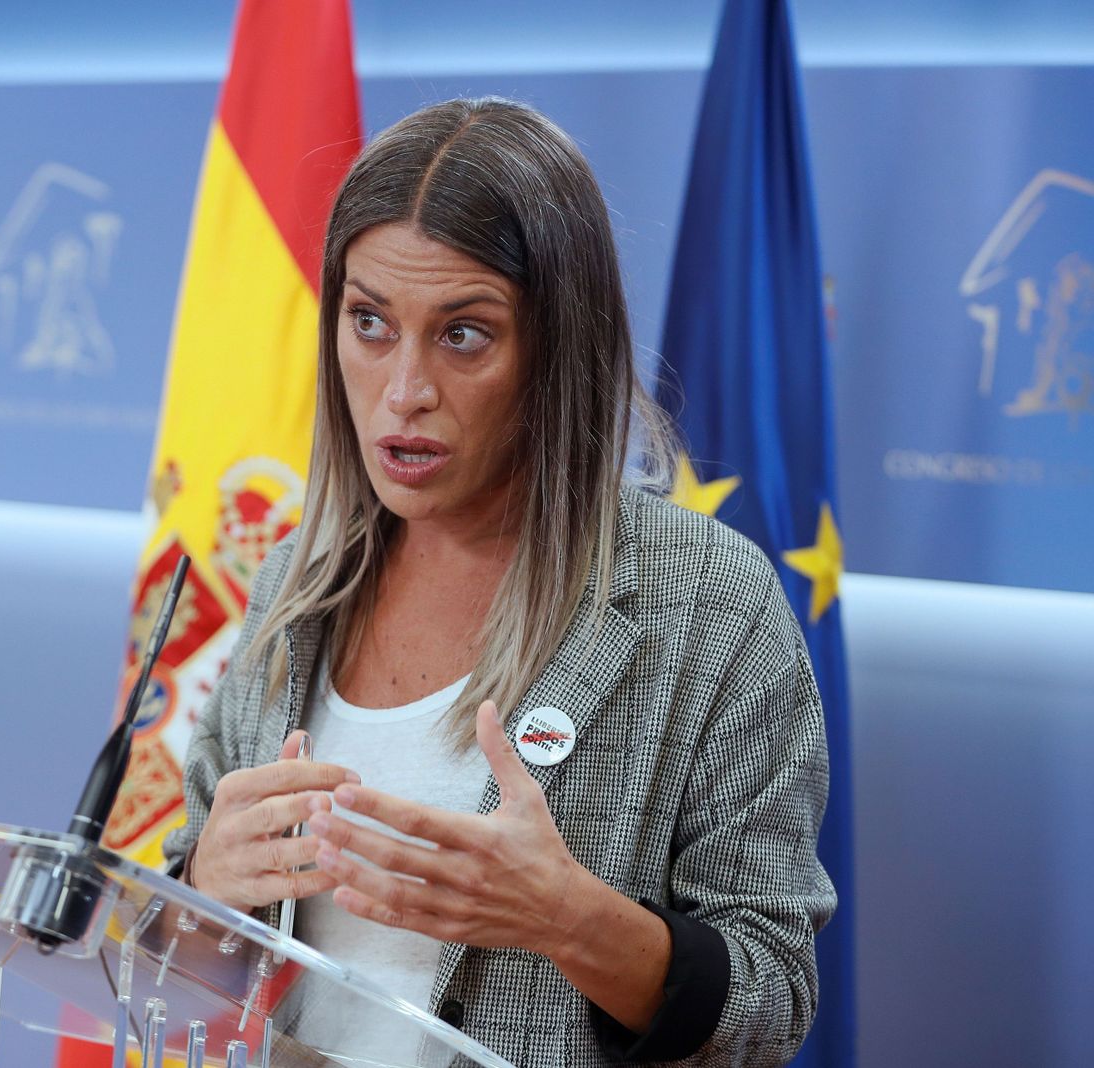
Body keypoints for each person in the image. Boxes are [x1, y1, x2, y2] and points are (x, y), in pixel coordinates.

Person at [163, 97, 835, 1067]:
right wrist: (204, 886)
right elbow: (183, 950)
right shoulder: (294, 586)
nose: (403, 390)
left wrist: (572, 921)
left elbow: (772, 1003)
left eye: (463, 335)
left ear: (558, 349)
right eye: (369, 323)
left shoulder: (709, 604)